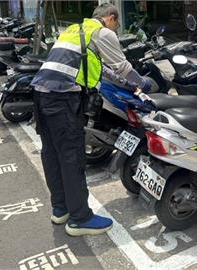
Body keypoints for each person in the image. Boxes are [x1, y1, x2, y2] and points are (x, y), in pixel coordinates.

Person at [31, 3, 151, 237]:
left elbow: (101, 68)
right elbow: (122, 66)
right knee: (72, 158)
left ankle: (61, 209)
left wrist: (128, 85)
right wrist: (142, 83)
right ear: (111, 19)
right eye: (117, 25)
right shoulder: (103, 32)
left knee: (52, 153)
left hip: (40, 94)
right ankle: (79, 219)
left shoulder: (75, 30)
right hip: (63, 98)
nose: (116, 30)